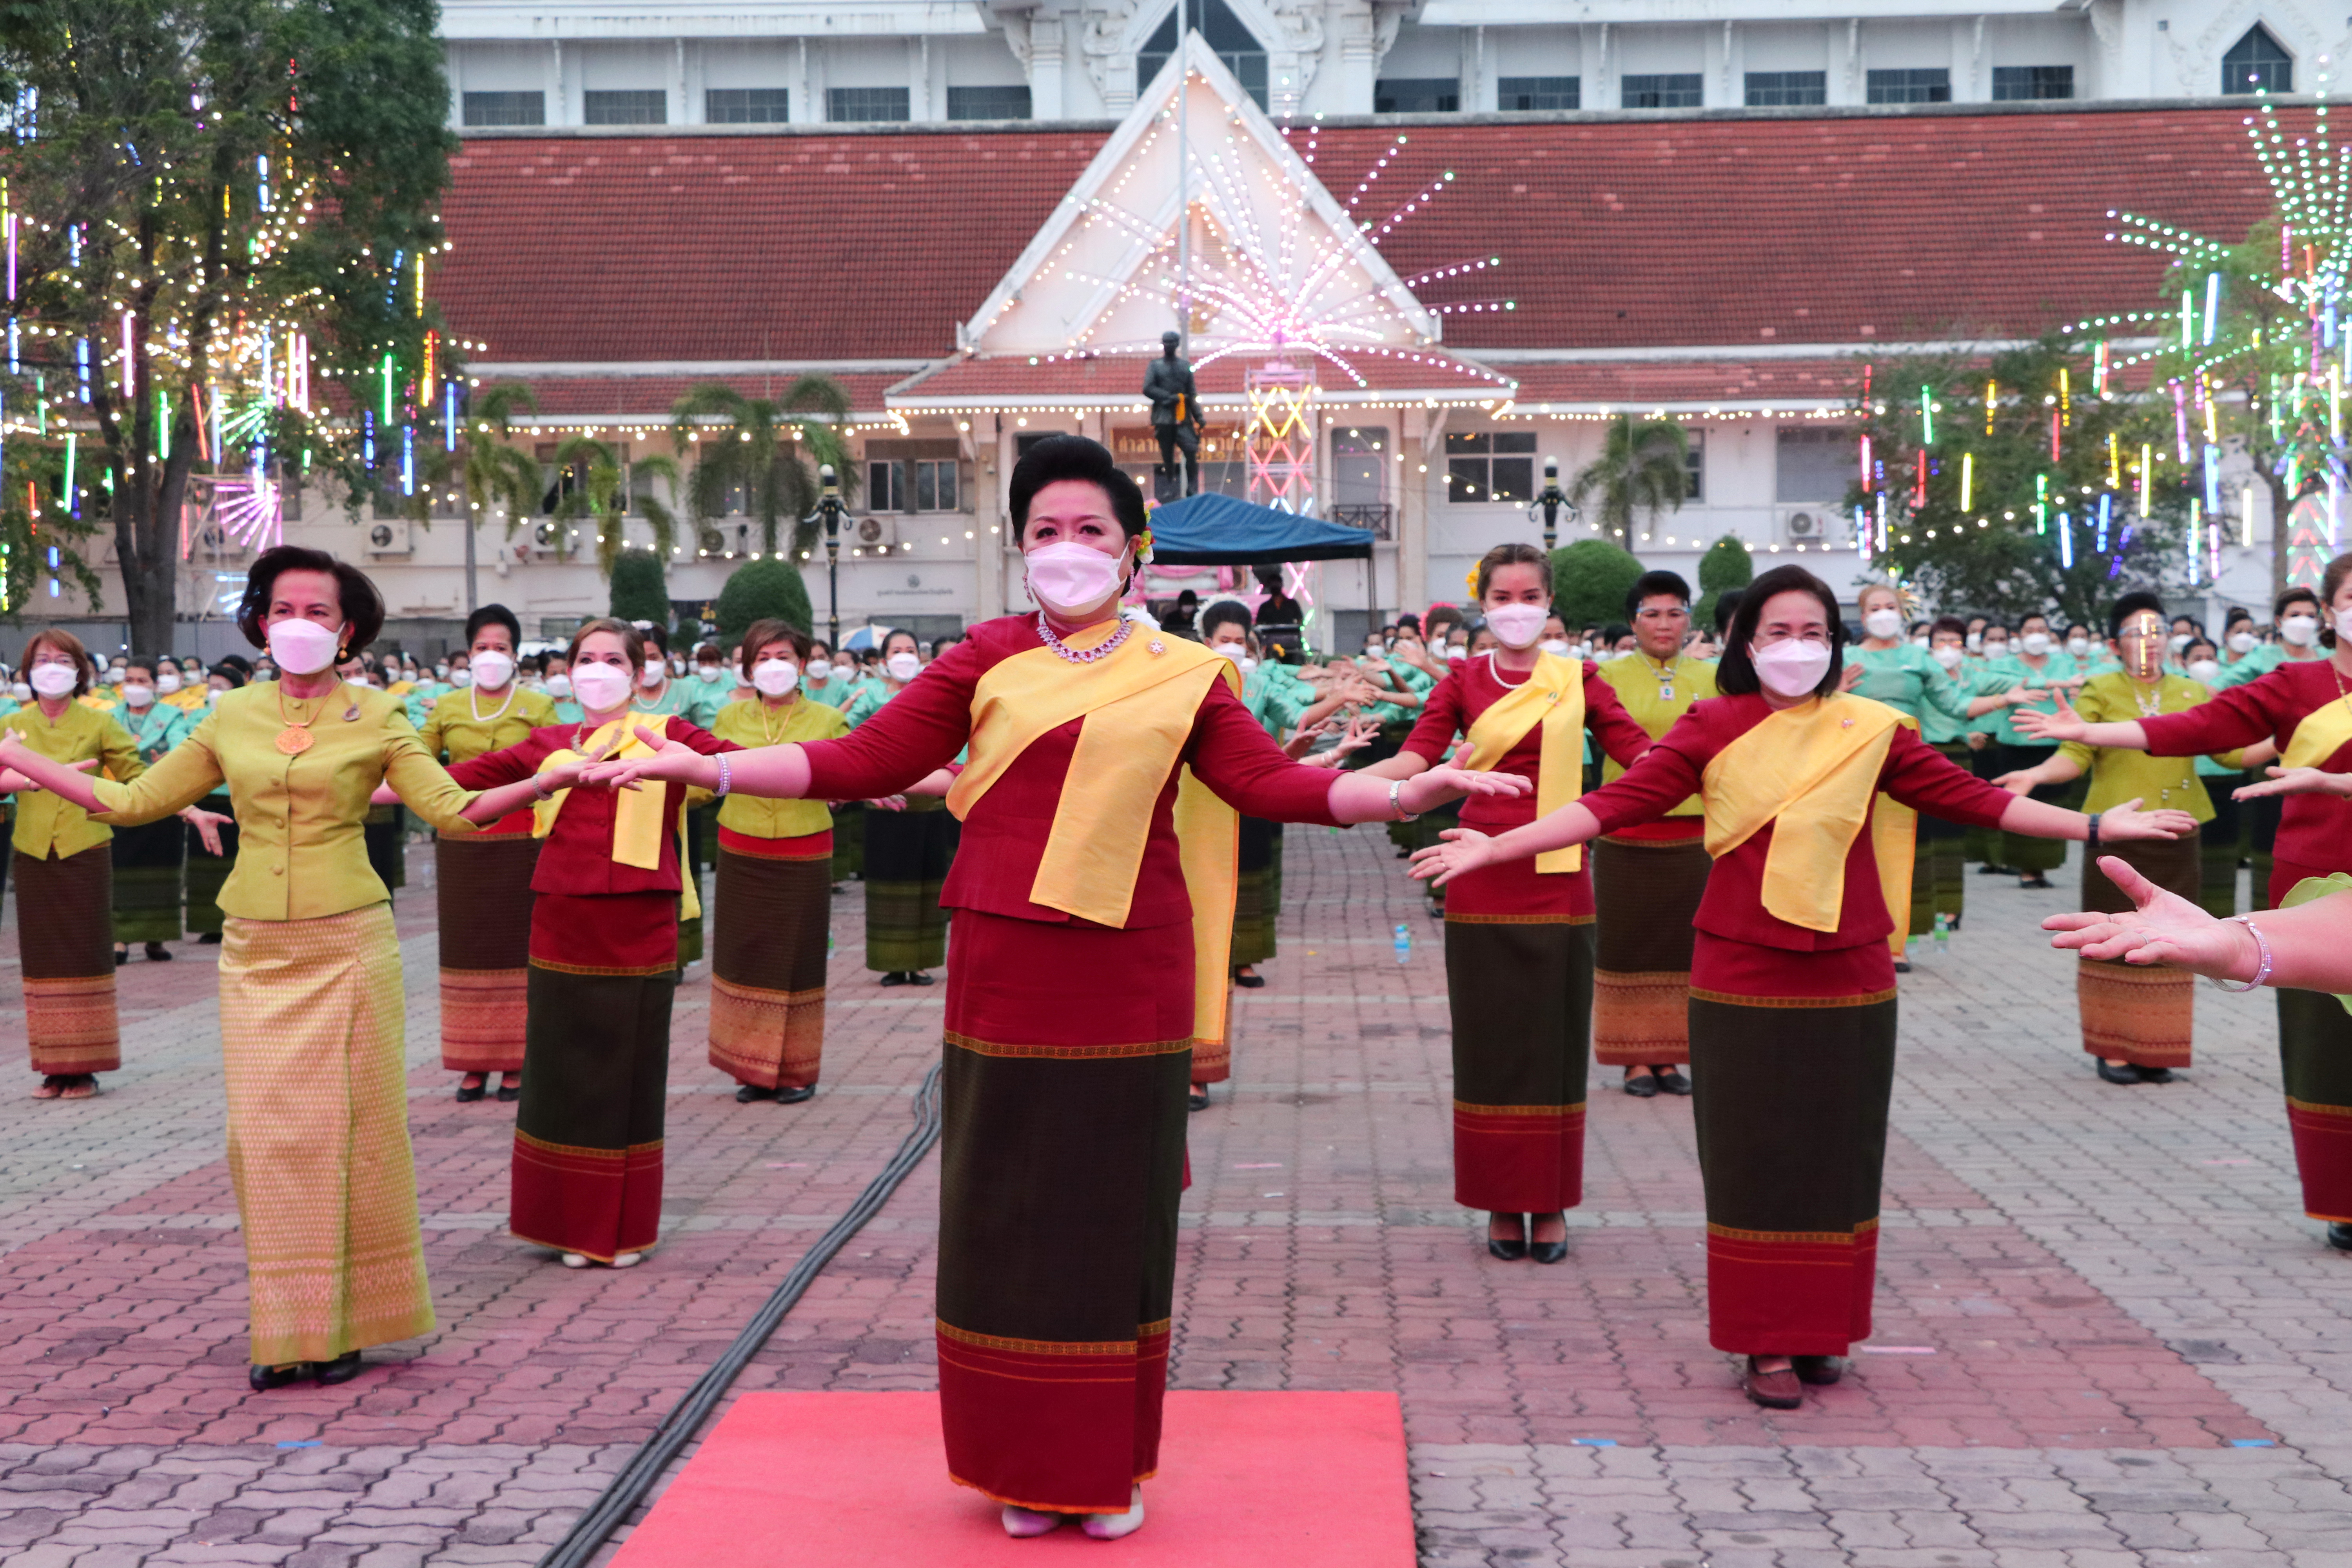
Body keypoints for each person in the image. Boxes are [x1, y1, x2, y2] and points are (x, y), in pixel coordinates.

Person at [578, 434, 1523, 1539]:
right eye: (1045, 533)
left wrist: (1399, 795)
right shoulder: (980, 658)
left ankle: (1099, 1465)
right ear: (1017, 546)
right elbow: (865, 760)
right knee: (1005, 1201)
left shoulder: (1186, 674)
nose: (1067, 552)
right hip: (1002, 962)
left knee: (1106, 1205)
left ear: (1135, 552)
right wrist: (714, 768)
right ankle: (1015, 1463)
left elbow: (1267, 785)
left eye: (1091, 532)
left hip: (1132, 966)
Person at [1410, 564, 2195, 1410]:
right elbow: (1616, 802)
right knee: (1756, 1156)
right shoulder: (1713, 724)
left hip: (1852, 969)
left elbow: (1971, 799)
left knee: (1839, 1153)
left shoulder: (1873, 727)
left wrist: (2093, 823)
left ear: (1836, 643)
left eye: (1813, 632)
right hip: (1740, 968)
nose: (1796, 648)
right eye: (1777, 632)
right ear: (1748, 644)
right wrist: (1496, 848)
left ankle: (1824, 1329)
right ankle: (1762, 1337)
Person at [0, 546, 548, 1388]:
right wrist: (22, 760)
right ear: (260, 621)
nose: (299, 625)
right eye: (284, 609)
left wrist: (557, 778)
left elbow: (457, 811)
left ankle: (352, 1322)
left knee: (354, 1133)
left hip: (349, 944)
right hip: (255, 947)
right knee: (264, 1137)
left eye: (318, 612)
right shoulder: (230, 717)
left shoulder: (380, 714)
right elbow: (134, 800)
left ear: (348, 629)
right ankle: (288, 1323)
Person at [2017, 554, 2352, 1246]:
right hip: (2316, 878)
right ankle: (2345, 1203)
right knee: (2327, 1046)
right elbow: (2202, 731)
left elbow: (2223, 743)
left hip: (2215, 836)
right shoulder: (2297, 683)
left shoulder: (2224, 685)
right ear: (2327, 610)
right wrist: (2087, 734)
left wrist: (2323, 775)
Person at [1359, 543, 1652, 1263]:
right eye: (1502, 596)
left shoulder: (1579, 679)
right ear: (1483, 605)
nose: (1516, 608)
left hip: (1560, 876)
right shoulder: (1461, 680)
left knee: (1555, 1044)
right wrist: (1353, 778)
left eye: (1529, 596)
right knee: (1491, 1043)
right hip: (1479, 874)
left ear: (1550, 604)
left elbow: (1640, 753)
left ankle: (1549, 1201)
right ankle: (1499, 1199)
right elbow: (1419, 757)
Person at [441, 619, 737, 1269]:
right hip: (560, 918)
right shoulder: (545, 744)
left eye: (612, 660)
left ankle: (614, 1229)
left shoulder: (669, 734)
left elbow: (734, 763)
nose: (597, 670)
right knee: (558, 1070)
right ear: (567, 673)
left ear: (638, 673)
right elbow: (454, 784)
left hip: (639, 918)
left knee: (622, 1069)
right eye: (585, 659)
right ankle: (557, 1222)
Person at [1994, 594, 2233, 1084]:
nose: (2149, 641)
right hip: (2116, 831)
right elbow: (2076, 752)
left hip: (2179, 829)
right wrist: (2038, 775)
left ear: (2171, 638)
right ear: (2113, 643)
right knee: (2112, 938)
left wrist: (2291, 736)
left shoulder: (2194, 691)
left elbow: (2231, 750)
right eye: (2135, 633)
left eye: (2158, 630)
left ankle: (2157, 1048)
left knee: (2175, 943)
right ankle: (2115, 1049)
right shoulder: (2099, 688)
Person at [417, 604, 559, 1103]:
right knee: (465, 950)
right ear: (468, 653)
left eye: (501, 648)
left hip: (521, 837)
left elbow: (554, 763)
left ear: (516, 655)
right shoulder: (447, 707)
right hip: (461, 839)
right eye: (482, 648)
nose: (491, 656)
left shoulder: (539, 707)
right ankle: (472, 1063)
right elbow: (416, 760)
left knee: (517, 949)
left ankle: (518, 1061)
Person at [707, 621, 849, 1105]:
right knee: (744, 955)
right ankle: (750, 1069)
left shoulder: (829, 719)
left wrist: (852, 791)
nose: (774, 666)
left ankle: (796, 1071)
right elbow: (709, 774)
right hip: (741, 844)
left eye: (784, 656)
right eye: (763, 657)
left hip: (803, 846)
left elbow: (850, 774)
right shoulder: (727, 720)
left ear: (803, 664)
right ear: (748, 667)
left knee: (799, 957)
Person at [1592, 569, 1716, 1097]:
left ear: (1689, 617)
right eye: (1652, 613)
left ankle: (1671, 1057)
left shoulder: (1715, 677)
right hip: (1626, 827)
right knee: (1627, 945)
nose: (1665, 624)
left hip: (1697, 832)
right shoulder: (1603, 675)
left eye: (1675, 612)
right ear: (1633, 621)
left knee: (1684, 946)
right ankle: (1633, 1060)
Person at [5, 631, 144, 1098]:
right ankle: (52, 1068)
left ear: (80, 670)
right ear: (28, 669)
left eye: (64, 659)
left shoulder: (101, 723)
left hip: (85, 850)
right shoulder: (11, 722)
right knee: (42, 962)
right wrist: (18, 780)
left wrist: (190, 808)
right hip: (32, 852)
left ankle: (84, 1068)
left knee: (85, 955)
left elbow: (141, 783)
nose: (53, 667)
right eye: (43, 659)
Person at [847, 630, 958, 987]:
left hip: (928, 804)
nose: (905, 656)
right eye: (897, 651)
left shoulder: (937, 694)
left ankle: (923, 963)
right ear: (882, 660)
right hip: (884, 805)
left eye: (911, 650)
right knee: (887, 884)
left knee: (927, 884)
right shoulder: (870, 697)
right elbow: (850, 740)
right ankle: (892, 963)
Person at [1917, 617, 2036, 933]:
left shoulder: (1971, 672)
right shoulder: (1919, 671)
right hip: (1920, 754)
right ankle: (1918, 908)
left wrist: (2062, 683)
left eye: (1955, 641)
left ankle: (1949, 909)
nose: (1948, 647)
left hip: (1956, 755)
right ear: (1930, 644)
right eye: (1942, 640)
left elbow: (2014, 684)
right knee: (1920, 835)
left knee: (1952, 834)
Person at [108, 658, 198, 965]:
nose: (134, 686)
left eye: (142, 681)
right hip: (119, 800)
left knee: (161, 871)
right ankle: (119, 938)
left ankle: (156, 938)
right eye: (129, 680)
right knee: (120, 870)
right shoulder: (110, 717)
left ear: (155, 686)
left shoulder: (171, 716)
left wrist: (167, 761)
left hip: (161, 803)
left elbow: (181, 747)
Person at [1986, 612, 2084, 888]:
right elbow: (2006, 685)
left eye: (2042, 629)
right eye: (2030, 630)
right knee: (2020, 803)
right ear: (2019, 635)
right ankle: (2025, 868)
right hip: (2017, 743)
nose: (2037, 635)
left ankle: (2044, 865)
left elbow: (2080, 686)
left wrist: (2069, 687)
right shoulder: (2006, 664)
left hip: (2055, 745)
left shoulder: (2064, 662)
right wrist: (2061, 686)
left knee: (2055, 803)